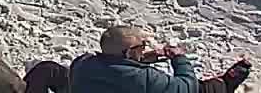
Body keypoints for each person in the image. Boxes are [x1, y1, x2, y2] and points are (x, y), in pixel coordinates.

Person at [68, 24, 250, 93]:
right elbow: (186, 87)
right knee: (201, 89)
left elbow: (115, 68)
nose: (144, 49)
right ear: (129, 52)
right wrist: (180, 59)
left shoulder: (82, 63)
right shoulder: (145, 79)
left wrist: (139, 60)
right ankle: (225, 84)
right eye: (141, 47)